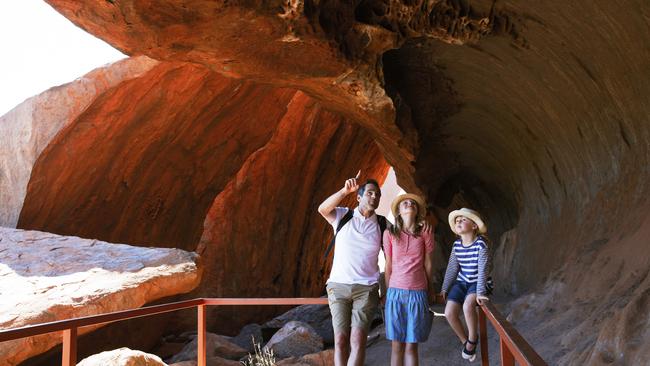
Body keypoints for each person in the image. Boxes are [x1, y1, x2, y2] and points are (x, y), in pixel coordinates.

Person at [317, 171, 431, 366]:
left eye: (377, 194)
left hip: (366, 288)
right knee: (341, 340)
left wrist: (420, 222)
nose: (375, 197)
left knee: (358, 340)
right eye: (370, 193)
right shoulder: (343, 216)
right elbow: (322, 209)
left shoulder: (382, 224)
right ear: (359, 197)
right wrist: (344, 191)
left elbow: (403, 236)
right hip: (338, 286)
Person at [383, 194, 434, 366]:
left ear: (417, 211)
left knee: (412, 346)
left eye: (412, 203)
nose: (409, 204)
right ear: (398, 212)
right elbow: (388, 265)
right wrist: (388, 291)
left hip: (418, 292)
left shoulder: (425, 232)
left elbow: (428, 263)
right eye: (404, 203)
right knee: (397, 345)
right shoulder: (389, 233)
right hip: (395, 293)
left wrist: (430, 290)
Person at [441, 208, 491, 362]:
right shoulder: (457, 245)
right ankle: (467, 341)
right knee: (449, 313)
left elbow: (484, 269)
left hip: (478, 282)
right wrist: (444, 288)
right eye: (457, 221)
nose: (458, 222)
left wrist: (481, 292)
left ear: (474, 225)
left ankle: (472, 337)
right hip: (462, 282)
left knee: (468, 306)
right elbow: (452, 268)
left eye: (463, 219)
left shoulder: (480, 245)